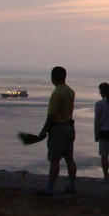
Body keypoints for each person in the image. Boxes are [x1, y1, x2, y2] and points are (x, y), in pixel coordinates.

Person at [35, 66, 76, 196]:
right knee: (69, 159)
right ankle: (72, 186)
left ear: (54, 78)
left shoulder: (56, 94)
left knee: (54, 160)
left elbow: (51, 115)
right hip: (70, 127)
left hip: (58, 129)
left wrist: (44, 130)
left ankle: (49, 189)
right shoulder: (70, 91)